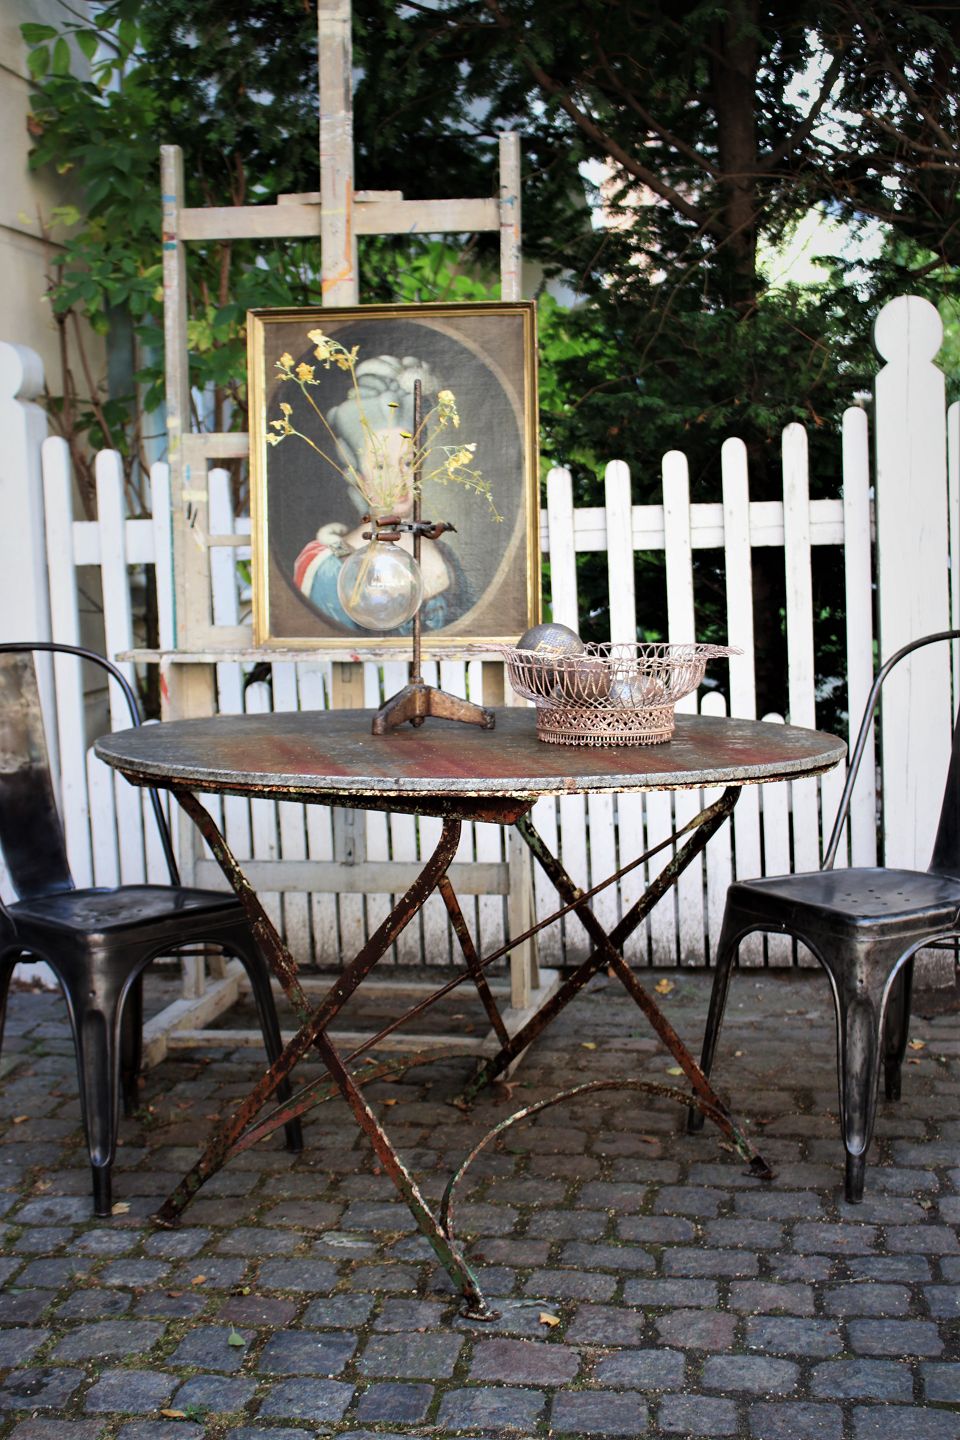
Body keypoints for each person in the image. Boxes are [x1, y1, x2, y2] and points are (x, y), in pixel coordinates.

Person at [291, 353, 470, 633]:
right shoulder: (328, 565)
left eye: (407, 462)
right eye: (381, 466)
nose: (398, 479)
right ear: (359, 476)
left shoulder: (442, 553)